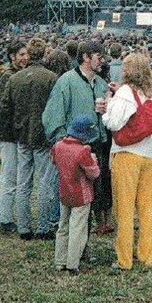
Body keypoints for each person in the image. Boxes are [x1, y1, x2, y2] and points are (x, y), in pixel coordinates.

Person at [42, 40, 111, 234]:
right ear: (86, 58)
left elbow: (109, 113)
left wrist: (109, 107)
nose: (102, 60)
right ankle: (74, 248)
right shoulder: (66, 81)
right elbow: (52, 115)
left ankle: (82, 245)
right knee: (75, 201)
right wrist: (64, 142)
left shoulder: (101, 83)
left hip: (96, 147)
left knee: (91, 198)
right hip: (74, 148)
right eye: (98, 56)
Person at [102, 52, 152, 271]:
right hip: (148, 155)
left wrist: (106, 110)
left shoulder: (125, 93)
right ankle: (146, 255)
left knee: (124, 210)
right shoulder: (150, 92)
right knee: (146, 208)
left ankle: (124, 259)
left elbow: (114, 123)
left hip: (127, 155)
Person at [11, 38, 60, 240]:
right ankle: (42, 227)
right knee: (44, 183)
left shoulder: (16, 78)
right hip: (43, 136)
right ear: (44, 54)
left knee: (23, 183)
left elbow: (7, 108)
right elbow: (55, 109)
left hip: (22, 135)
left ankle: (23, 227)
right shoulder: (51, 78)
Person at [51, 116, 101, 273]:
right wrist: (95, 161)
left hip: (64, 192)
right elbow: (94, 174)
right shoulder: (83, 151)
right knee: (77, 229)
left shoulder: (58, 146)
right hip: (81, 195)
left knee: (63, 226)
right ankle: (73, 263)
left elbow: (53, 160)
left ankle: (60, 261)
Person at [0, 42, 26, 234]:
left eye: (26, 54)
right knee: (9, 175)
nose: (24, 58)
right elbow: (7, 107)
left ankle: (6, 214)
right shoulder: (7, 76)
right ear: (12, 56)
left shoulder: (14, 74)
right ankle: (4, 217)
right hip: (8, 132)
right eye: (21, 54)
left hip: (13, 131)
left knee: (14, 175)